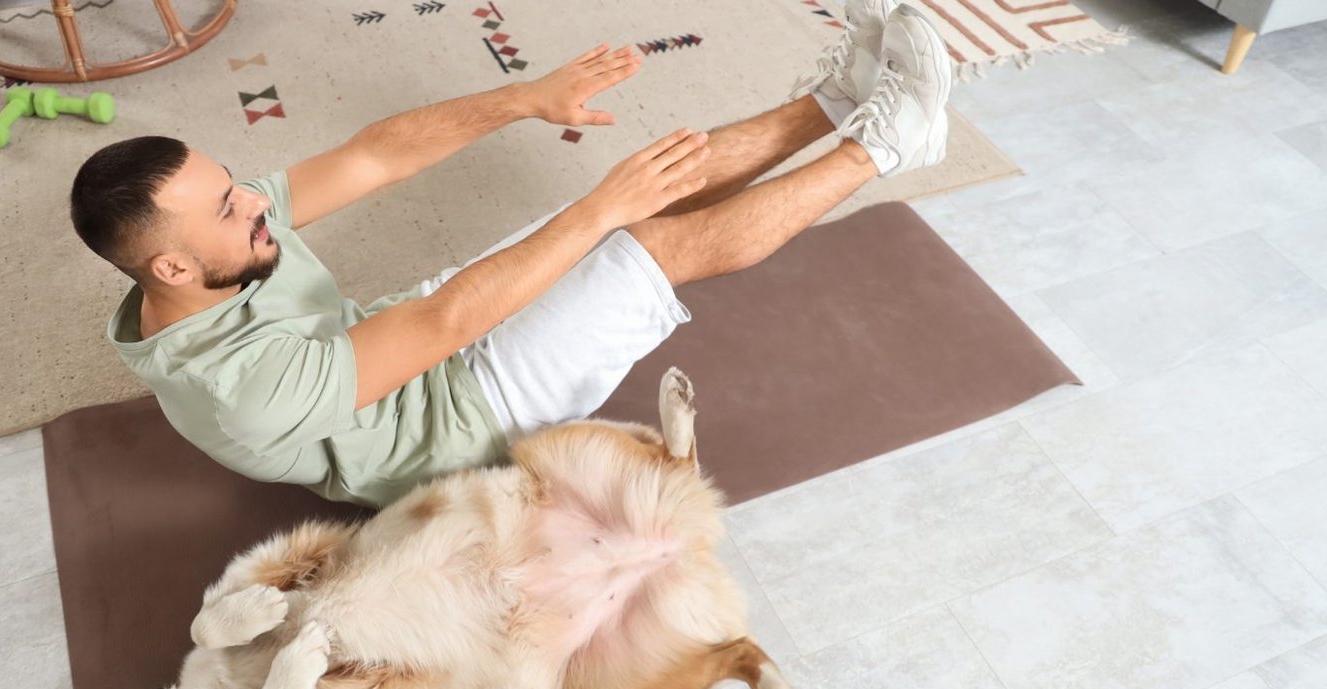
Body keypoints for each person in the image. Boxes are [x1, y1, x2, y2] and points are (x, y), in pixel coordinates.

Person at [70, 1, 951, 508]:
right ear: (174, 269)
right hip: (457, 428)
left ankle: (839, 99)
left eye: (237, 183)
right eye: (232, 206)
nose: (259, 201)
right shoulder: (241, 396)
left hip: (404, 344)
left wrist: (525, 97)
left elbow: (375, 154)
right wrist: (606, 207)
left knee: (623, 201)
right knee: (645, 241)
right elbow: (448, 321)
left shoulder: (217, 243)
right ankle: (892, 143)